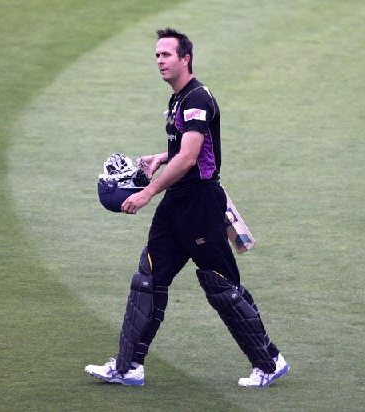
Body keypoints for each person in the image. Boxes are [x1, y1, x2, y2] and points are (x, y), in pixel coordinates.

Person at [85, 28, 289, 387]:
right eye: (157, 56)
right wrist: (161, 157)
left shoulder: (197, 99)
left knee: (221, 286)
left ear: (185, 59)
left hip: (200, 207)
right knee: (148, 279)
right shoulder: (178, 100)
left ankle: (270, 363)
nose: (160, 61)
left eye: (166, 55)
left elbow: (192, 156)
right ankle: (128, 366)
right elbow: (187, 148)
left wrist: (148, 193)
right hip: (178, 203)